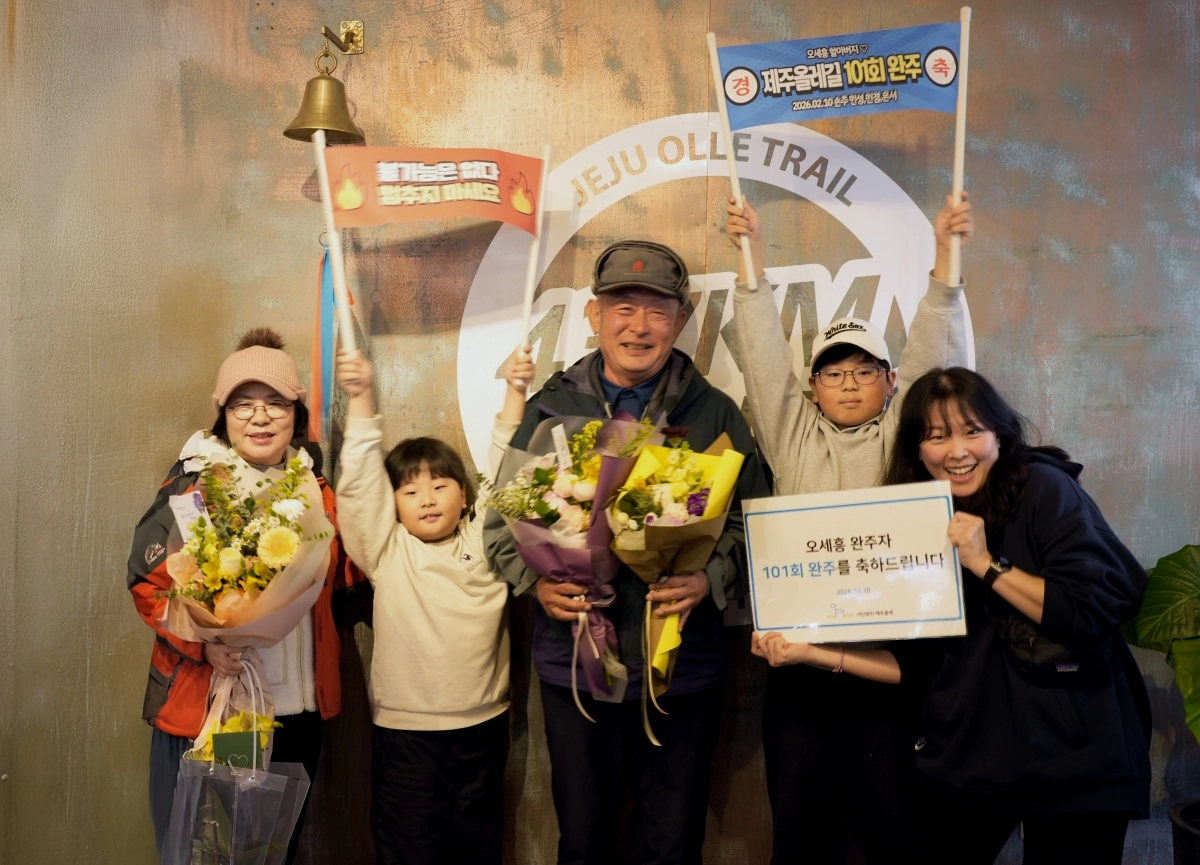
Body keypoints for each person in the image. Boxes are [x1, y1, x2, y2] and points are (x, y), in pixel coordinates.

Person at [753, 367, 1152, 865]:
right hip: (971, 760)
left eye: (972, 432)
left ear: (1000, 437)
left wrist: (986, 564)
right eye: (936, 437)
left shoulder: (1044, 489)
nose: (957, 452)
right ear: (917, 450)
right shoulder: (913, 519)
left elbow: (1093, 608)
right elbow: (910, 667)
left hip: (1072, 760)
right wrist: (809, 651)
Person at [484, 240, 771, 865]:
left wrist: (712, 580)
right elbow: (501, 525)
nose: (639, 326)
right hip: (576, 667)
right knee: (583, 841)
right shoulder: (550, 410)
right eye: (623, 307)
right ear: (593, 314)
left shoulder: (715, 413)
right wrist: (539, 587)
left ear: (683, 317)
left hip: (680, 668)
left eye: (658, 310)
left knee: (673, 842)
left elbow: (757, 523)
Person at [725, 193, 974, 863]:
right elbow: (763, 358)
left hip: (889, 670)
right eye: (835, 372)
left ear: (891, 382)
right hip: (800, 672)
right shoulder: (791, 435)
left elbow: (934, 348)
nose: (850, 383)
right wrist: (748, 255)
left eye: (866, 370)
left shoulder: (905, 437)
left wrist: (946, 264)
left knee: (894, 836)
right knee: (799, 837)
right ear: (813, 387)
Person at [127, 327, 368, 864]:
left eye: (275, 404)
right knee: (219, 852)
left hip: (298, 712)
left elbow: (346, 577)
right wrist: (204, 644)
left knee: (273, 851)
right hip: (234, 710)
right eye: (243, 405)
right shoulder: (194, 486)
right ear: (223, 415)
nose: (260, 418)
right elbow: (149, 586)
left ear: (296, 413)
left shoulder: (315, 489)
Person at [334, 346, 526, 865]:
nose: (427, 498)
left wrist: (515, 390)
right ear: (392, 504)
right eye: (411, 490)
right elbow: (357, 487)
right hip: (405, 737)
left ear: (463, 496)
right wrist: (361, 398)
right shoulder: (386, 550)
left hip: (484, 730)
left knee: (478, 850)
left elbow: (507, 472)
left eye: (440, 486)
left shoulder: (488, 540)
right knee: (409, 850)